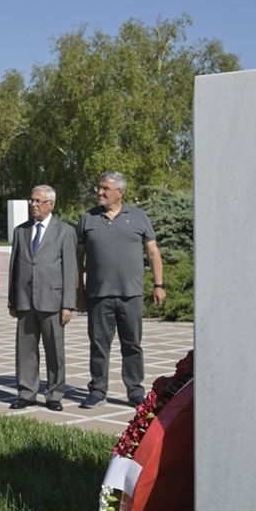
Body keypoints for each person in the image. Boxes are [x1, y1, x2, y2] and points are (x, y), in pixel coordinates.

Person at [76, 171, 166, 408]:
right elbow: (78, 258)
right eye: (99, 187)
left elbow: (153, 252)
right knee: (98, 345)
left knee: (132, 345)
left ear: (120, 192)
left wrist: (159, 285)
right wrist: (79, 290)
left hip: (131, 294)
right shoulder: (88, 218)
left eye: (105, 188)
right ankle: (97, 391)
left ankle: (135, 391)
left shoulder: (138, 217)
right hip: (98, 295)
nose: (100, 192)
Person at [7, 185, 77, 411]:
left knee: (55, 351)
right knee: (25, 350)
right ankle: (27, 392)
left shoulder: (65, 231)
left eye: (38, 201)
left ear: (51, 204)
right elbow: (14, 268)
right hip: (25, 301)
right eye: (31, 200)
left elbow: (70, 270)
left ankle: (54, 394)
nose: (33, 204)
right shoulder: (21, 231)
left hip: (53, 302)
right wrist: (12, 300)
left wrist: (68, 304)